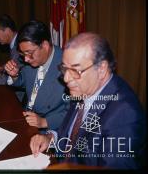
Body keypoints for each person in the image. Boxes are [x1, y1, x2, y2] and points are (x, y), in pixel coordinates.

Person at [29, 32, 146, 169]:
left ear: (102, 69)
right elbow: (73, 133)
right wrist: (51, 138)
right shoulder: (84, 88)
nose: (66, 78)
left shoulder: (124, 115)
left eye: (75, 70)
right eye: (64, 68)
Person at [4, 20, 68, 131]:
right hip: (26, 117)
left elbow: (75, 112)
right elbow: (24, 81)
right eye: (23, 54)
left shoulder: (67, 66)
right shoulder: (31, 58)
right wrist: (15, 75)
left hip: (51, 130)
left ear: (45, 45)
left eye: (29, 53)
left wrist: (44, 122)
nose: (26, 59)